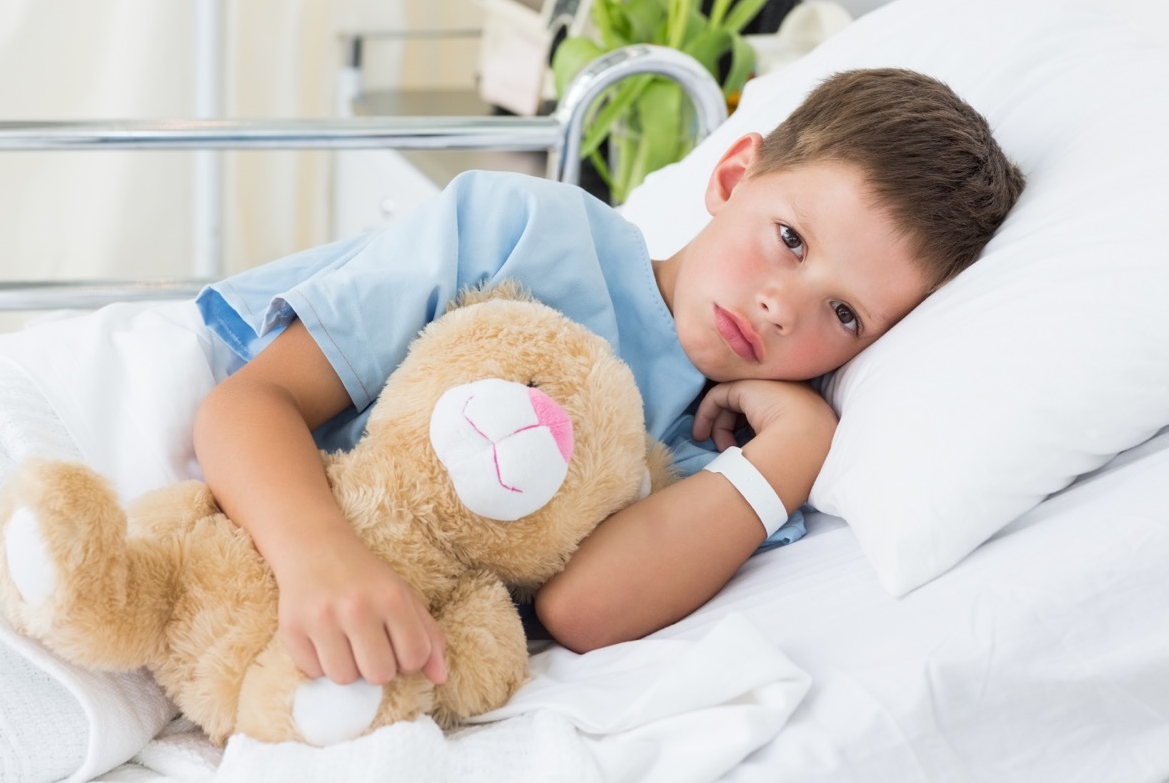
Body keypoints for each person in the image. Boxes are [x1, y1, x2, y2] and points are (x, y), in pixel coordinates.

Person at [192, 68, 1025, 692]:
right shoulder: (524, 232)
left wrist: (798, 445)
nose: (781, 308)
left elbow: (579, 610)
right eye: (791, 239)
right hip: (269, 527)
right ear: (734, 175)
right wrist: (321, 560)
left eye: (845, 314)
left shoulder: (729, 449)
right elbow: (250, 404)